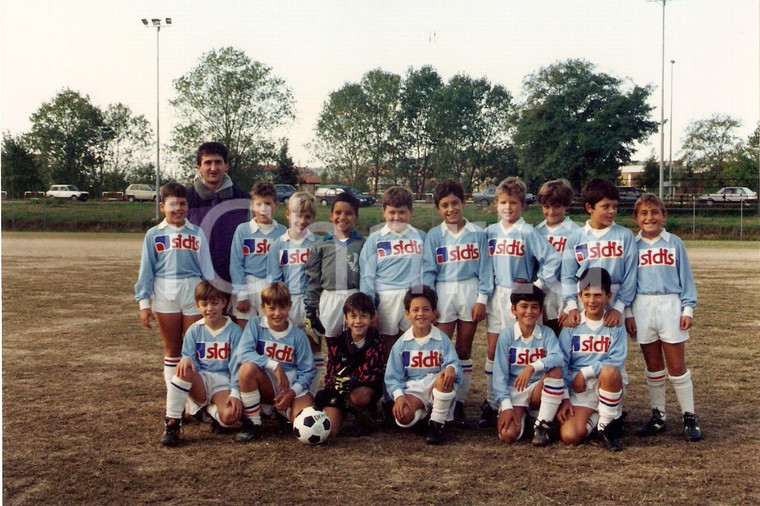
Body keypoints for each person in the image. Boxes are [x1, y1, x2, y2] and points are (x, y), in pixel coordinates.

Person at [479, 177, 561, 428]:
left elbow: (552, 259)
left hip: (521, 294)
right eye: (503, 202)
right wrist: (483, 296)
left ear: (522, 205)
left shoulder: (528, 231)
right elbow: (484, 267)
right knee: (494, 349)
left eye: (513, 203)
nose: (507, 208)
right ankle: (492, 403)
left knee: (522, 345)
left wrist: (535, 287)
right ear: (496, 204)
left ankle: (534, 398)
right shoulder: (489, 232)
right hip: (497, 295)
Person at [135, 182, 214, 434]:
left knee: (192, 350)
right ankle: (175, 407)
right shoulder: (154, 234)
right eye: (172, 204)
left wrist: (211, 296)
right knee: (173, 350)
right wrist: (143, 303)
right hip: (164, 293)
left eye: (182, 204)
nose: (178, 208)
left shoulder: (196, 233)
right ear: (162, 206)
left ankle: (192, 404)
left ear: (187, 206)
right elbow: (146, 271)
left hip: (193, 292)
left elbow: (207, 269)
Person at [625, 194, 702, 441]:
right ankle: (658, 415)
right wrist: (628, 312)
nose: (650, 218)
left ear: (664, 215)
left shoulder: (674, 243)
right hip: (642, 306)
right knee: (653, 367)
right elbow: (627, 283)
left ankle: (689, 416)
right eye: (644, 213)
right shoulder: (632, 246)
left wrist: (687, 309)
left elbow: (686, 278)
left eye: (655, 212)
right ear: (636, 218)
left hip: (670, 304)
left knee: (677, 366)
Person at [422, 181, 491, 428]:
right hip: (443, 290)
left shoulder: (477, 233)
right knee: (440, 349)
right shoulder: (434, 235)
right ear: (438, 208)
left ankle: (459, 403)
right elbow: (428, 270)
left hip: (469, 289)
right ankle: (441, 401)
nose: (450, 209)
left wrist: (482, 298)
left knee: (463, 349)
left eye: (455, 203)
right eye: (444, 205)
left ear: (463, 203)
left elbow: (485, 269)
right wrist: (431, 301)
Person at [230, 282, 316, 442]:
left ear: (289, 306)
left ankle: (283, 414)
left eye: (282, 308)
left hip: (290, 386)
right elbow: (243, 353)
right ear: (263, 307)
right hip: (267, 383)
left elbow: (308, 370)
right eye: (272, 308)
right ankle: (253, 423)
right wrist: (274, 365)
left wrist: (292, 392)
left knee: (304, 422)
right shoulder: (255, 325)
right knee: (247, 369)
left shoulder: (298, 335)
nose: (277, 313)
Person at [160, 281, 243, 446]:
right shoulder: (194, 330)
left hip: (223, 382)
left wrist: (235, 392)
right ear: (197, 306)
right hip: (202, 381)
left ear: (223, 303)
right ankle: (172, 423)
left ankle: (210, 411)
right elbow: (188, 356)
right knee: (184, 368)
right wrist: (186, 359)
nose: (210, 309)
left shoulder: (234, 331)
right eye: (204, 304)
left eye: (214, 303)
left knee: (230, 417)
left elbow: (236, 365)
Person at [558, 267, 627, 451]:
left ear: (608, 296)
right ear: (580, 296)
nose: (592, 300)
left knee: (610, 371)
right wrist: (564, 396)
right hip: (580, 389)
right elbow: (562, 363)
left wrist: (586, 371)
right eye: (587, 295)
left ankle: (606, 426)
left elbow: (616, 360)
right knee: (569, 435)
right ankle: (602, 418)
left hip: (606, 383)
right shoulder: (572, 325)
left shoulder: (615, 324)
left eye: (598, 295)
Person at [384, 285, 462, 445]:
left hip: (438, 387)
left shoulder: (442, 339)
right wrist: (398, 397)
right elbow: (393, 377)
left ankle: (436, 425)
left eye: (426, 309)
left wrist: (450, 368)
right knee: (403, 416)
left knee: (445, 375)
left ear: (434, 313)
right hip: (415, 389)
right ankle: (424, 418)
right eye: (415, 310)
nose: (420, 314)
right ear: (407, 314)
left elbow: (454, 363)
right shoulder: (401, 344)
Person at [493, 282, 565, 447]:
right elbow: (499, 376)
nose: (529, 312)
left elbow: (558, 357)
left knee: (555, 372)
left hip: (538, 391)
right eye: (523, 306)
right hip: (515, 391)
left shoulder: (546, 333)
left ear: (540, 310)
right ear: (513, 310)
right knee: (508, 435)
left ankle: (542, 425)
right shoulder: (506, 336)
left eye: (534, 307)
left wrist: (532, 367)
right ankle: (525, 416)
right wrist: (506, 406)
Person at [560, 178, 637, 329]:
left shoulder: (625, 235)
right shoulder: (576, 237)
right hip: (587, 300)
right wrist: (571, 306)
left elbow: (630, 275)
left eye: (614, 206)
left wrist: (618, 308)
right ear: (590, 208)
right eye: (605, 206)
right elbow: (568, 275)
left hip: (615, 299)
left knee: (611, 345)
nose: (611, 211)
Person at [360, 186, 426, 355]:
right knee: (387, 347)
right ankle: (388, 381)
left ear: (411, 212)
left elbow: (427, 270)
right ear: (384, 212)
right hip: (386, 298)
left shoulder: (420, 237)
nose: (397, 217)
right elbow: (367, 276)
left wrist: (427, 299)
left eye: (402, 212)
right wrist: (370, 307)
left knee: (412, 344)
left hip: (413, 297)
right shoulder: (375, 239)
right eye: (392, 212)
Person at [266, 192, 320, 393]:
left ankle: (311, 393)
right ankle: (286, 390)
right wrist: (280, 305)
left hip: (309, 301)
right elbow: (275, 279)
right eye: (298, 215)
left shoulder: (316, 243)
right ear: (288, 214)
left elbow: (318, 277)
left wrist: (314, 304)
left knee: (313, 346)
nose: (302, 220)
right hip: (287, 302)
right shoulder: (278, 244)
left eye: (307, 216)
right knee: (288, 347)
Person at [314, 293, 385, 437]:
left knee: (358, 397)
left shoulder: (377, 342)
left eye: (363, 316)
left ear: (372, 318)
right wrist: (336, 382)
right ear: (346, 319)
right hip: (340, 391)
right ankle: (343, 414)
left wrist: (353, 380)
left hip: (364, 389)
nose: (358, 321)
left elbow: (374, 373)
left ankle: (366, 415)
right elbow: (330, 375)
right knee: (330, 431)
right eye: (353, 316)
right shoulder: (337, 342)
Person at [186, 142, 250, 287]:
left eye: (218, 162)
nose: (213, 168)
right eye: (208, 163)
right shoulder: (184, 199)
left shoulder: (243, 199)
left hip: (232, 282)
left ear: (226, 166)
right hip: (195, 281)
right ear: (199, 167)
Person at [304, 191, 366, 340]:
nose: (343, 217)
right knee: (333, 341)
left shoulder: (362, 244)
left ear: (356, 217)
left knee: (356, 340)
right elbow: (313, 279)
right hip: (330, 298)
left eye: (348, 213)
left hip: (354, 296)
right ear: (330, 215)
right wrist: (311, 309)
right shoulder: (321, 245)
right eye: (338, 212)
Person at [229, 181, 287, 329]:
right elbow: (236, 264)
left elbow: (285, 265)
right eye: (258, 204)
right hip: (248, 284)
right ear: (252, 205)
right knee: (245, 333)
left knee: (269, 333)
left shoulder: (283, 232)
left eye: (267, 204)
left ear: (276, 205)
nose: (263, 209)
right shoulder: (243, 230)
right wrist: (241, 295)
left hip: (271, 286)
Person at [534, 179, 580, 336]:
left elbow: (582, 268)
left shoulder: (577, 232)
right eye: (546, 207)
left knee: (566, 343)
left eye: (557, 207)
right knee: (545, 342)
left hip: (566, 296)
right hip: (543, 295)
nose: (551, 212)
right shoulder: (536, 232)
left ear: (566, 205)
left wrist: (570, 305)